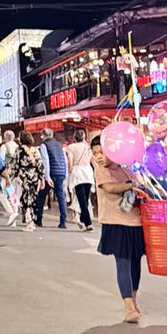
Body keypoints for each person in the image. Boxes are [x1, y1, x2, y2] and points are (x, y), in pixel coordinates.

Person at [91, 136, 146, 323]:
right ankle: (128, 307)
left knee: (135, 263)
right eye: (95, 153)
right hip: (115, 222)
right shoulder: (101, 170)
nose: (98, 157)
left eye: (101, 152)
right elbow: (109, 188)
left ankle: (135, 300)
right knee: (123, 263)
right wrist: (131, 186)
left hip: (135, 221)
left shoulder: (127, 169)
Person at [9, 131, 45, 231]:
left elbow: (14, 164)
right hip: (34, 178)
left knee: (26, 200)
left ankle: (29, 223)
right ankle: (32, 222)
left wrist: (11, 176)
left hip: (23, 178)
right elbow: (40, 165)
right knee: (33, 200)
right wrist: (42, 178)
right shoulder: (34, 150)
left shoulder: (19, 150)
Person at [35, 128, 68, 229]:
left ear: (43, 135)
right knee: (61, 196)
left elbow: (46, 161)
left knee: (41, 195)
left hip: (52, 173)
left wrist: (47, 176)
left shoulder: (44, 145)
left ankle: (38, 219)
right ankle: (63, 222)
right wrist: (65, 174)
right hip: (61, 172)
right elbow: (64, 160)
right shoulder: (59, 145)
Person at [66, 128, 95, 232]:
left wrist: (70, 171)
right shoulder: (88, 147)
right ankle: (84, 219)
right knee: (85, 199)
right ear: (84, 137)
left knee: (81, 198)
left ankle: (87, 223)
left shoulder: (71, 147)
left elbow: (70, 161)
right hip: (88, 172)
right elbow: (93, 161)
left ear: (74, 137)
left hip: (77, 173)